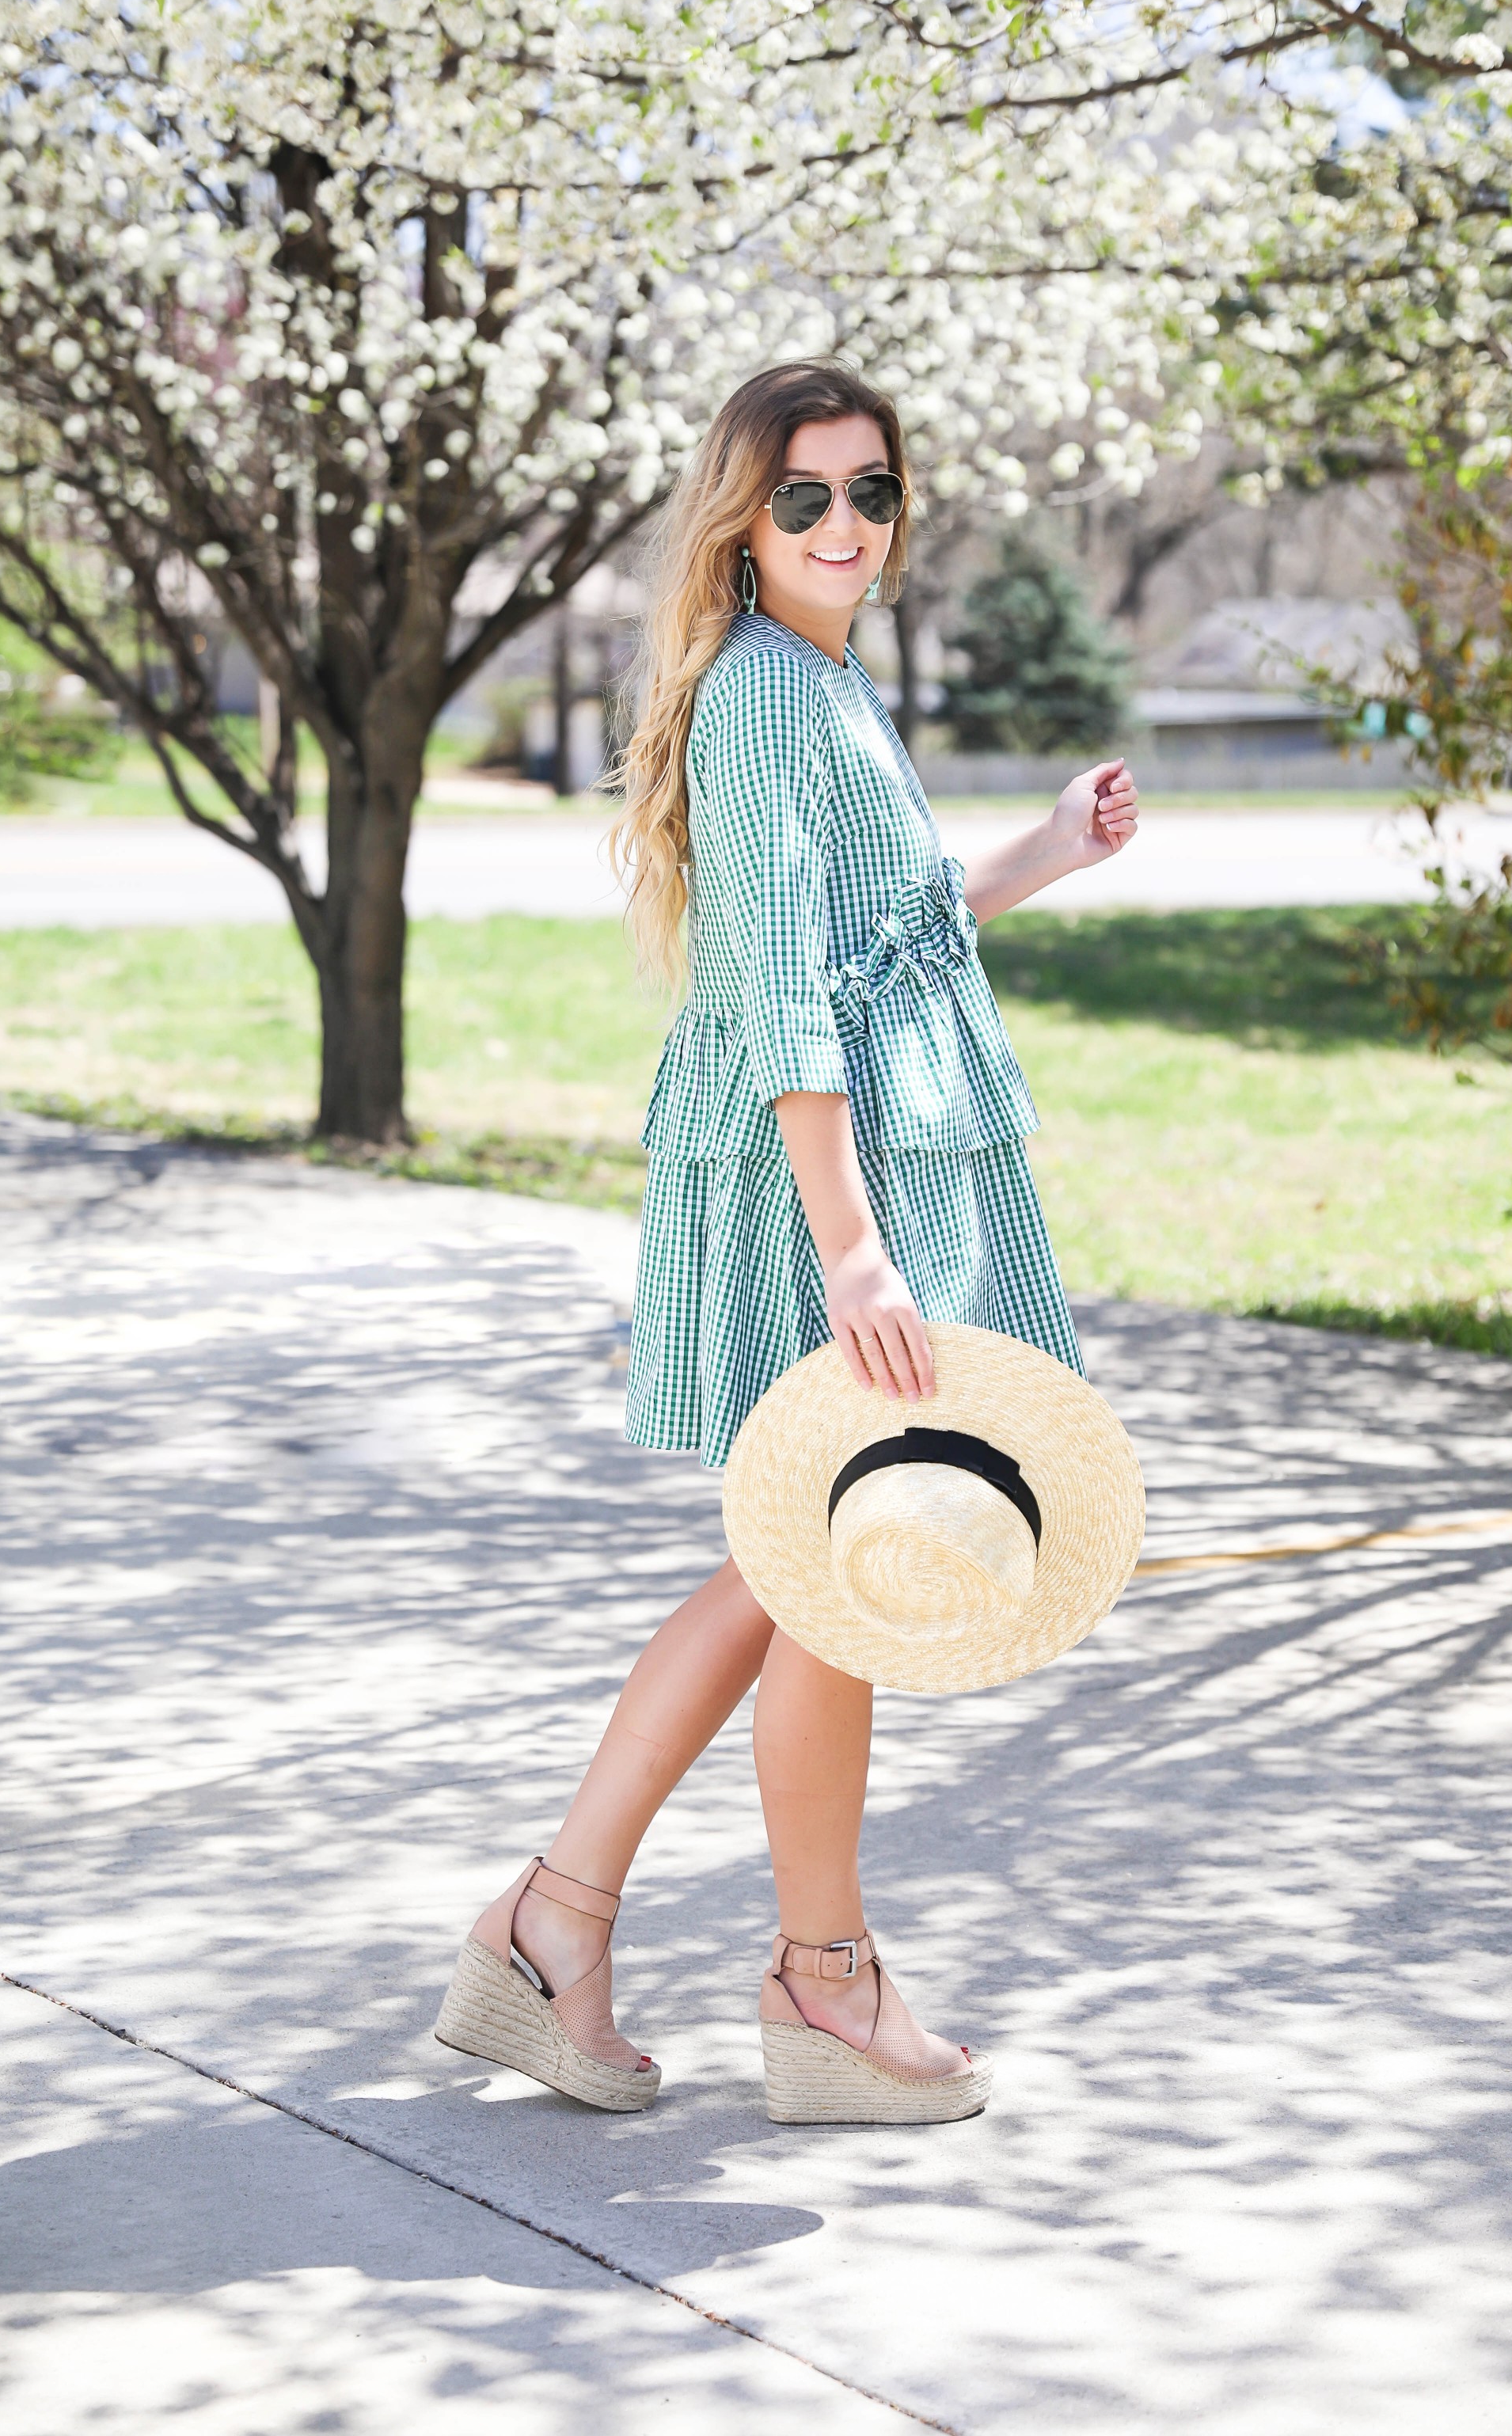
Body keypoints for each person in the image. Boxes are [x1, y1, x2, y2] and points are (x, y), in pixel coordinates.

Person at [435, 359, 1137, 2122]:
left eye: (871, 490)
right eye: (806, 495)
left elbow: (868, 935)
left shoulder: (811, 686)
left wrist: (1039, 854)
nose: (844, 524)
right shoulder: (763, 697)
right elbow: (774, 993)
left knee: (808, 1567)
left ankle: (561, 1926)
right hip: (820, 1188)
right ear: (744, 519)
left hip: (860, 1174)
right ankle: (804, 1982)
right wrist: (853, 1247)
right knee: (825, 1567)